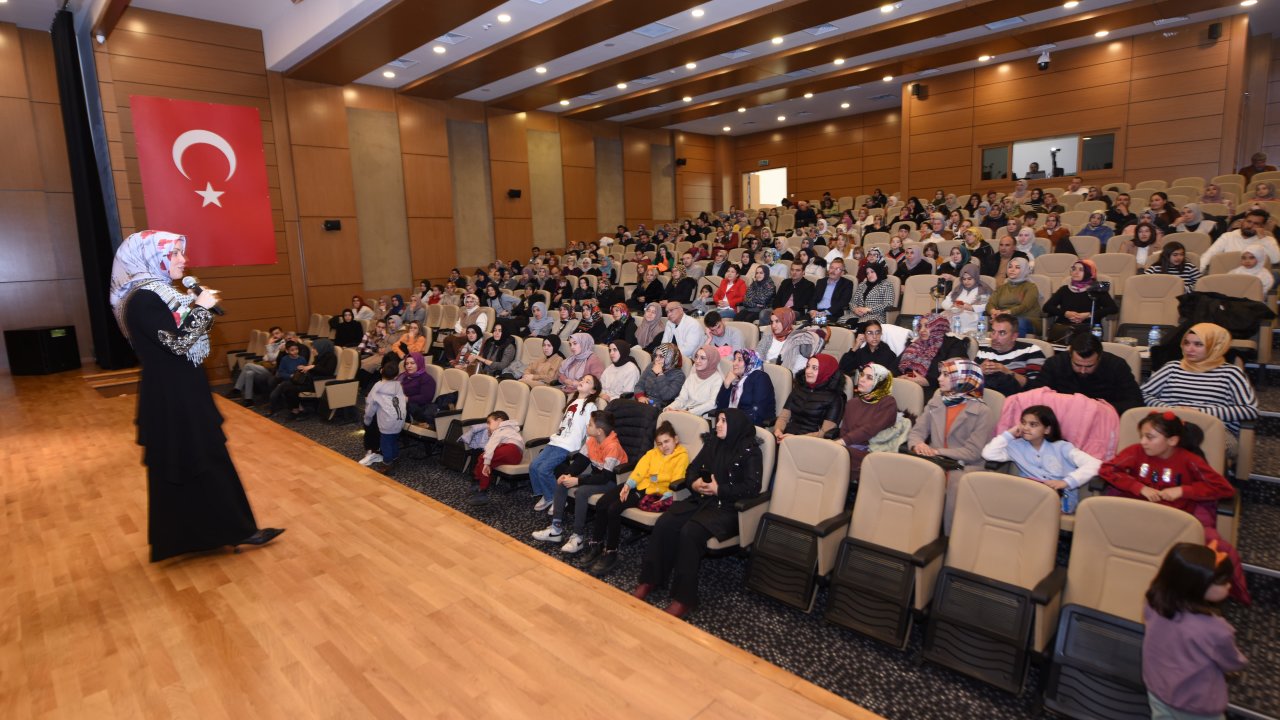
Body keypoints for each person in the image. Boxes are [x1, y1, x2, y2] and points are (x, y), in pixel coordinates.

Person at [108, 230, 283, 560]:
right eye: (174, 254)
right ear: (149, 257)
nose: (183, 260)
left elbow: (181, 337)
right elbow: (177, 343)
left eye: (180, 253)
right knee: (198, 461)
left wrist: (199, 309)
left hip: (182, 391)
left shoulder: (159, 294)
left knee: (201, 462)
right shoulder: (143, 299)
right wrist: (201, 309)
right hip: (172, 398)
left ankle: (221, 531)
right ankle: (227, 531)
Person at [1101, 412, 1249, 604]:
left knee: (1217, 547)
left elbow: (1223, 488)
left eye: (1150, 437)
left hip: (1176, 519)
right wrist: (1139, 487)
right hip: (1142, 515)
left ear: (1172, 440)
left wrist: (1184, 490)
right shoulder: (1136, 451)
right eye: (1142, 436)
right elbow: (1107, 469)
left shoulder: (1189, 460)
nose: (1143, 442)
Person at [634, 409, 763, 617]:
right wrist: (694, 483)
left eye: (723, 421)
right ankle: (651, 579)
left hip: (728, 507)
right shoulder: (714, 443)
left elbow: (752, 488)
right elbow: (692, 469)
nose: (718, 424)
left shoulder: (750, 451)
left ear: (736, 425)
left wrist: (720, 489)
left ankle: (684, 598)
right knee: (665, 523)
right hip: (701, 499)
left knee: (689, 533)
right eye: (718, 420)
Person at [1142, 543, 1247, 718]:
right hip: (1195, 704)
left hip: (1157, 688)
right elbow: (1231, 662)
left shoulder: (1153, 602)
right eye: (1223, 582)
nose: (1229, 586)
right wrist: (1242, 662)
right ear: (1197, 586)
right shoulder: (1215, 629)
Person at [579, 421, 690, 576]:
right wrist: (627, 485)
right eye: (660, 443)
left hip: (652, 492)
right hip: (638, 485)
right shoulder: (652, 453)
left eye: (667, 441)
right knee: (602, 503)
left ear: (675, 439)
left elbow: (677, 480)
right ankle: (596, 544)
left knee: (614, 509)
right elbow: (639, 471)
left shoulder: (681, 456)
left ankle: (611, 552)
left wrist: (663, 491)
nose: (663, 446)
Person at [908, 359, 997, 532]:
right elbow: (917, 432)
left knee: (956, 482)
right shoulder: (938, 399)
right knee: (908, 471)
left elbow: (973, 452)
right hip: (935, 461)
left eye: (946, 375)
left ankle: (950, 538)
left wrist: (936, 451)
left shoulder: (983, 412)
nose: (939, 379)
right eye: (941, 374)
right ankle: (914, 533)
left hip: (965, 466)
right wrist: (917, 444)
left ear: (963, 379)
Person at [1142, 323, 1258, 446]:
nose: (1189, 349)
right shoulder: (1173, 367)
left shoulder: (1231, 373)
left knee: (1183, 443)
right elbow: (1143, 393)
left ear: (1215, 346)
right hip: (1170, 425)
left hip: (1211, 429)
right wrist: (1169, 409)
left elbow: (1250, 409)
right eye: (1187, 343)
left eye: (1198, 344)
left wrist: (1199, 412)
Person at [532, 410, 627, 553]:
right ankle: (555, 529)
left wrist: (578, 480)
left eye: (590, 425)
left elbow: (605, 477)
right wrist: (567, 474)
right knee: (563, 481)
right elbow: (580, 462)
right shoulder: (592, 440)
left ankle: (578, 537)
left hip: (612, 482)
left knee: (581, 492)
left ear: (599, 431)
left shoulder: (613, 446)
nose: (587, 427)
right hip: (597, 478)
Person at [981, 405, 1101, 514]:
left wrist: (1066, 482)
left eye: (1033, 424)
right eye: (1023, 423)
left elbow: (1096, 464)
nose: (1026, 428)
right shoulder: (1016, 446)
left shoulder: (1062, 447)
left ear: (1047, 429)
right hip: (1029, 494)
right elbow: (988, 453)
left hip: (1059, 498)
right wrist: (1009, 434)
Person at [528, 374, 600, 512]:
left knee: (544, 470)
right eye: (582, 379)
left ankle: (557, 498)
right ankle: (547, 494)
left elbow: (589, 431)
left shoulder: (590, 406)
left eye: (587, 382)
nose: (582, 381)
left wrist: (586, 451)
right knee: (534, 467)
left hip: (567, 446)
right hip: (555, 441)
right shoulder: (571, 401)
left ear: (593, 391)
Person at [1031, 332, 1144, 415]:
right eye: (1077, 365)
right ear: (1070, 355)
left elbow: (1135, 402)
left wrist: (1098, 407)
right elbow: (1037, 395)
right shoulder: (1055, 364)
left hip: (1103, 419)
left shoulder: (1117, 366)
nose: (1083, 370)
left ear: (1099, 358)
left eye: (1089, 366)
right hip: (1063, 418)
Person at [839, 363, 900, 491]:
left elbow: (871, 429)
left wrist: (843, 442)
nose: (861, 379)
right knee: (829, 453)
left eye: (869, 378)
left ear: (880, 382)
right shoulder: (852, 403)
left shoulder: (888, 403)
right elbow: (844, 430)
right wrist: (842, 442)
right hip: (850, 448)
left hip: (872, 451)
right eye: (862, 375)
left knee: (834, 455)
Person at [1041, 259, 1118, 341]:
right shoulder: (1065, 289)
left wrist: (1088, 315)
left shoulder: (1097, 288)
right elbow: (1047, 307)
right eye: (1074, 269)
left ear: (1090, 272)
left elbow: (1113, 308)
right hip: (1064, 329)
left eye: (1081, 270)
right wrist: (1065, 313)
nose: (1076, 272)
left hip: (1088, 328)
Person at [774, 355, 844, 441]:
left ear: (826, 372)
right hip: (787, 436)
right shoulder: (798, 389)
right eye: (808, 366)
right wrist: (778, 431)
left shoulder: (835, 398)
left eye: (814, 368)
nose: (808, 371)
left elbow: (825, 432)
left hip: (812, 442)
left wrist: (796, 439)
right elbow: (783, 417)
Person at [976, 313, 1045, 396]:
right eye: (993, 332)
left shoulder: (1031, 350)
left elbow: (1037, 387)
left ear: (1014, 336)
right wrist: (979, 372)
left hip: (1019, 401)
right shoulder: (983, 353)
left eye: (1002, 333)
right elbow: (969, 384)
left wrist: (1006, 371)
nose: (994, 337)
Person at [360, 362, 407, 474]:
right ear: (396, 375)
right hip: (400, 418)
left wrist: (367, 420)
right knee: (394, 439)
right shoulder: (398, 385)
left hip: (387, 420)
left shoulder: (377, 387)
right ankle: (395, 457)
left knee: (385, 443)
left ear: (381, 371)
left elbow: (371, 406)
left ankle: (387, 464)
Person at [1200, 208, 1280, 270]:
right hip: (1229, 273)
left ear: (1262, 226)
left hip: (1255, 276)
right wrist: (1199, 271)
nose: (1250, 226)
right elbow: (1209, 254)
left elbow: (1275, 260)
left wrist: (1263, 239)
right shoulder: (1227, 236)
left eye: (1256, 224)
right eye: (1248, 221)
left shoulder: (1268, 240)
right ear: (1243, 221)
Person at [716, 349, 775, 426]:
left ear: (750, 362)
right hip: (732, 423)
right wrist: (726, 384)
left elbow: (757, 411)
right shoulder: (736, 380)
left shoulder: (759, 377)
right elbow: (720, 407)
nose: (734, 363)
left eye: (740, 360)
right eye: (734, 359)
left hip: (751, 426)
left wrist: (732, 421)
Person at [988, 257, 1040, 336]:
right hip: (1005, 318)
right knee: (994, 322)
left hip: (1027, 320)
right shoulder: (1002, 287)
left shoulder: (1031, 287)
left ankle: (1018, 347)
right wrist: (993, 312)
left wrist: (1006, 313)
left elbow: (1025, 306)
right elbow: (990, 303)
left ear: (1024, 269)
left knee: (1018, 322)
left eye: (1017, 267)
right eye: (1010, 267)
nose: (1012, 270)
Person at [668, 345, 724, 416]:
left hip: (700, 417)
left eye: (702, 358)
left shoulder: (717, 379)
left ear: (711, 361)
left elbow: (712, 404)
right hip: (684, 412)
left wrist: (690, 412)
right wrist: (670, 407)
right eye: (696, 356)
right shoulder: (693, 375)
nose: (697, 361)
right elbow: (682, 398)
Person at [940, 264, 992, 335]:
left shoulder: (982, 290)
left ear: (975, 277)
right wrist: (953, 308)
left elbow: (985, 305)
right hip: (954, 312)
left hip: (973, 316)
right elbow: (945, 302)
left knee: (960, 317)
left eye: (969, 279)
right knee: (941, 316)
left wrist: (971, 307)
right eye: (964, 279)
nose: (966, 282)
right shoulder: (959, 288)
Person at [634, 343, 685, 409]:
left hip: (656, 407)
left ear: (670, 358)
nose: (656, 359)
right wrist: (640, 396)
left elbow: (666, 396)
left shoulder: (679, 376)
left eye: (661, 356)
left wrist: (660, 374)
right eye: (656, 355)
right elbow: (639, 385)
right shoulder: (651, 365)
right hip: (642, 401)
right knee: (617, 405)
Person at [849, 260, 895, 327]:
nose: (869, 275)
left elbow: (887, 304)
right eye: (867, 273)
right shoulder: (862, 285)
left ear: (878, 272)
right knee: (843, 323)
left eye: (872, 272)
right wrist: (855, 309)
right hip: (857, 315)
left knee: (862, 326)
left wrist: (868, 309)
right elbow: (852, 302)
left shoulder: (886, 285)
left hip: (876, 316)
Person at [810, 257, 854, 322]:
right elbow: (813, 298)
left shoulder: (847, 284)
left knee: (815, 324)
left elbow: (843, 302)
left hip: (831, 314)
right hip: (816, 312)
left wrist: (825, 312)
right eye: (831, 268)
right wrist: (812, 310)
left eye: (837, 269)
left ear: (842, 273)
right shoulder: (821, 282)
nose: (833, 271)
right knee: (798, 323)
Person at [397, 352, 436, 424]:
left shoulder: (427, 379)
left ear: (419, 363)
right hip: (399, 404)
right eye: (407, 364)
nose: (409, 366)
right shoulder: (403, 376)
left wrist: (407, 399)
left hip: (415, 409)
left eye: (412, 363)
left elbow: (426, 398)